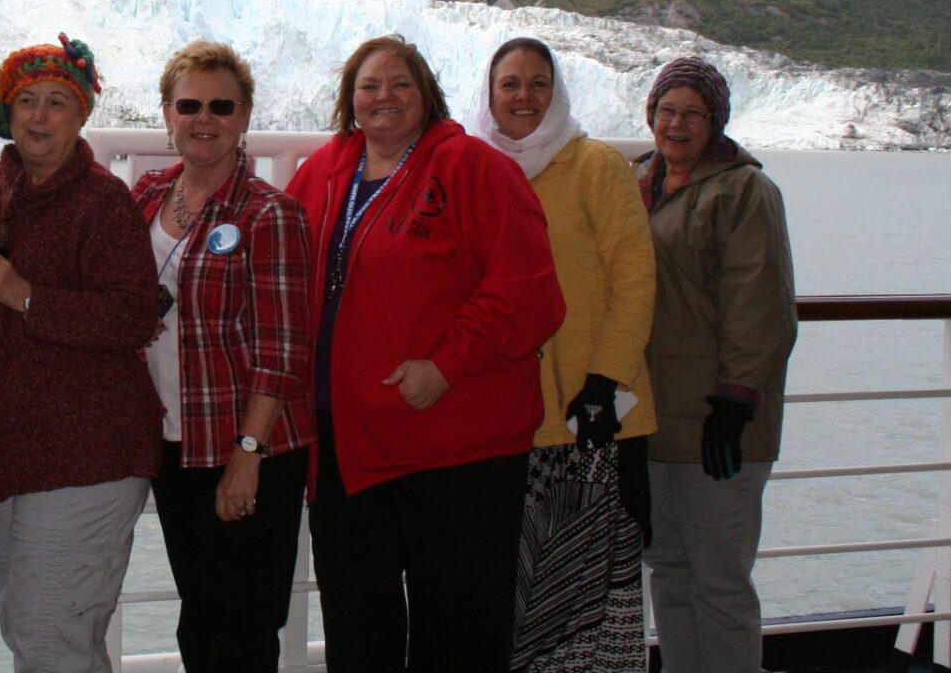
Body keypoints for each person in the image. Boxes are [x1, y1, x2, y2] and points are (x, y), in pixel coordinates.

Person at [285, 34, 566, 673]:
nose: (384, 97)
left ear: (427, 95)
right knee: (359, 634)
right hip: (347, 449)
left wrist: (447, 365)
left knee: (459, 634)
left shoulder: (475, 168)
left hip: (455, 447)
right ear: (349, 101)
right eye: (369, 86)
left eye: (400, 85)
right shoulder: (322, 172)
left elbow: (530, 295)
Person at [0, 33, 162, 673]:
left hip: (85, 455)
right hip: (4, 453)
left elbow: (133, 315)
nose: (39, 117)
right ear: (7, 112)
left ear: (81, 117)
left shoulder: (102, 202)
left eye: (56, 104)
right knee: (31, 630)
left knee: (53, 637)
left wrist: (25, 296)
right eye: (27, 103)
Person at [468, 37, 656, 672]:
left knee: (589, 591)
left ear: (557, 92)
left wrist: (604, 383)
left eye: (538, 83)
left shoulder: (595, 165)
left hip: (589, 415)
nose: (525, 97)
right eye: (511, 84)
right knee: (509, 592)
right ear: (489, 95)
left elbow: (635, 278)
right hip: (503, 423)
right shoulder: (476, 169)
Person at [129, 41, 314, 673]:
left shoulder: (271, 212)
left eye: (220, 105)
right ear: (166, 113)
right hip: (175, 444)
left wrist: (248, 456)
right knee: (200, 620)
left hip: (245, 446)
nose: (203, 118)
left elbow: (283, 349)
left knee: (242, 627)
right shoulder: (148, 196)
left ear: (244, 116)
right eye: (188, 105)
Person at [636, 57, 796, 673]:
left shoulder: (745, 191)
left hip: (718, 423)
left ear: (716, 121)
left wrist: (734, 402)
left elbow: (761, 302)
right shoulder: (637, 183)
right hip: (653, 417)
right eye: (666, 110)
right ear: (651, 116)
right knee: (670, 572)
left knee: (720, 580)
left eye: (692, 113)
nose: (676, 124)